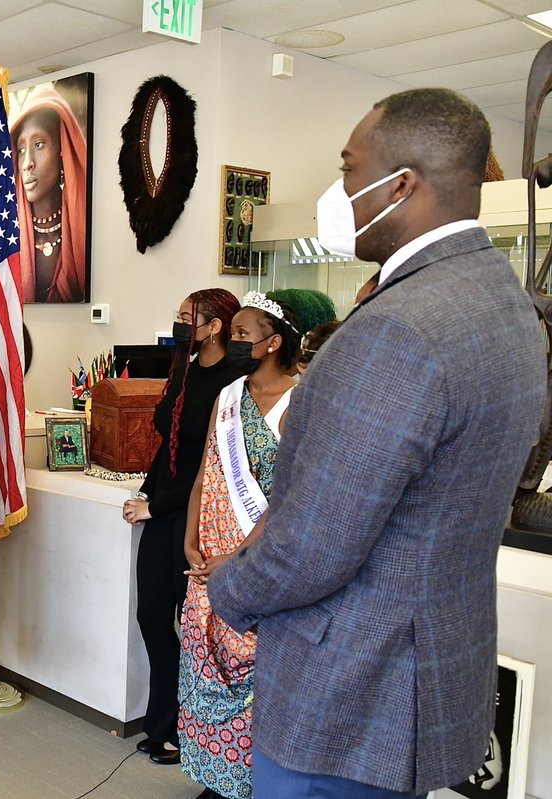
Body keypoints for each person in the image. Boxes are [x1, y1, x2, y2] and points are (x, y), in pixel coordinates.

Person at [208, 89, 545, 798]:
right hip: (425, 680)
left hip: (344, 700)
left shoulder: (393, 331)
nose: (342, 192)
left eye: (348, 168)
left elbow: (314, 545)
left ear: (402, 186)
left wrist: (228, 589)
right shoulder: (504, 303)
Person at [177, 293, 300, 799]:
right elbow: (208, 471)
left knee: (251, 673)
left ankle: (248, 782)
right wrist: (190, 538)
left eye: (244, 334)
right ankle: (213, 776)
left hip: (256, 562)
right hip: (207, 558)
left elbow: (290, 497)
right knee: (202, 660)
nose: (234, 341)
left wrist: (239, 556)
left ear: (273, 343)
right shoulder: (228, 396)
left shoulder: (301, 401)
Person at [121, 288, 242, 765]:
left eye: (187, 318)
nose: (178, 326)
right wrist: (147, 494)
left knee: (191, 626)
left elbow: (212, 464)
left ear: (215, 327)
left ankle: (182, 730)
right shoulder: (184, 370)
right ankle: (162, 721)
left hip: (197, 517)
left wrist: (160, 505)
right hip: (165, 505)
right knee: (151, 615)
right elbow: (166, 445)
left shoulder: (234, 382)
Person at [12, 87, 88, 303]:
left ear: (62, 150)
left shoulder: (82, 224)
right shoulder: (7, 232)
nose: (27, 164)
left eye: (39, 144)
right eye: (21, 150)